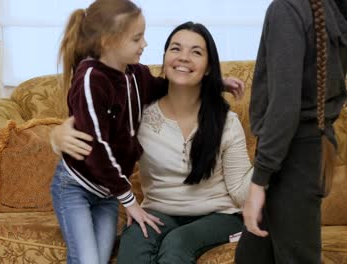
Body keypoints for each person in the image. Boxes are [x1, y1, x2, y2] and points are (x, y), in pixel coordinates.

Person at [51, 21, 253, 263]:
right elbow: (93, 127)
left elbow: (242, 192)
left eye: (196, 52)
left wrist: (273, 160)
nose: (184, 57)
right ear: (165, 59)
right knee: (134, 243)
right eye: (176, 49)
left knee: (177, 243)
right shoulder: (138, 112)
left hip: (219, 216)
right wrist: (57, 135)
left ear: (209, 67)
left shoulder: (226, 122)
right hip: (159, 211)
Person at [235, 0, 347, 263]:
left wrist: (259, 181)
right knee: (251, 256)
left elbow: (285, 106)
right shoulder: (327, 7)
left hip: (292, 156)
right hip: (312, 149)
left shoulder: (287, 9)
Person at [50, 1, 165, 263]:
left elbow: (166, 87)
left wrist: (214, 82)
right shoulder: (91, 79)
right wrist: (130, 202)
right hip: (75, 187)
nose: (145, 44)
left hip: (107, 194)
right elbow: (97, 148)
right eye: (137, 38)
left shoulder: (136, 75)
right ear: (107, 42)